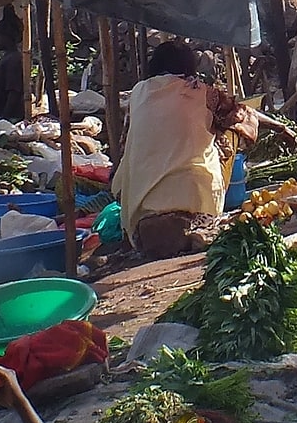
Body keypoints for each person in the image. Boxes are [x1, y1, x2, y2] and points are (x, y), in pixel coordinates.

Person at [111, 39, 260, 260]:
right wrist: (280, 126)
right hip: (196, 205)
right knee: (228, 133)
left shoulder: (138, 93)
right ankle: (210, 211)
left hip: (140, 212)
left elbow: (125, 145)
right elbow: (243, 116)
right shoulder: (202, 93)